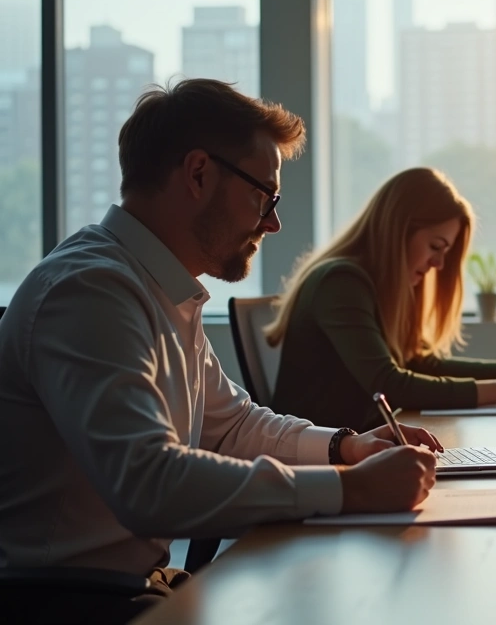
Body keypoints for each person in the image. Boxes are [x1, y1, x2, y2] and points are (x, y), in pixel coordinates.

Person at [0, 79, 441, 624]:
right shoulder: (90, 291)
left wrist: (344, 450)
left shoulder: (159, 289)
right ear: (198, 173)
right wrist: (349, 489)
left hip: (125, 590)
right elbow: (147, 482)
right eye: (264, 196)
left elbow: (232, 427)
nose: (273, 222)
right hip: (62, 602)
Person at [266, 168, 496, 430]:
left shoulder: (377, 286)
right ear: (398, 230)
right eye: (435, 246)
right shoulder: (340, 282)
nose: (438, 264)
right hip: (321, 461)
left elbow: (419, 363)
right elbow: (389, 385)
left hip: (358, 447)